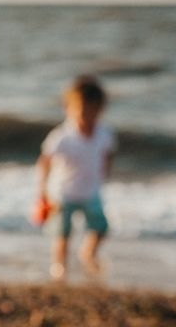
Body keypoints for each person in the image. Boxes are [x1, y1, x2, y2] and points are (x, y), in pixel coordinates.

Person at [35, 75, 116, 281]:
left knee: (101, 227)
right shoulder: (62, 136)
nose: (87, 117)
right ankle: (59, 267)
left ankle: (87, 253)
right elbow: (44, 162)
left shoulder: (104, 133)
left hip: (91, 191)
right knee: (62, 233)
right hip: (63, 193)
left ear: (100, 110)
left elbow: (107, 154)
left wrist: (104, 173)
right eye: (82, 112)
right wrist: (42, 192)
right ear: (67, 109)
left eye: (93, 112)